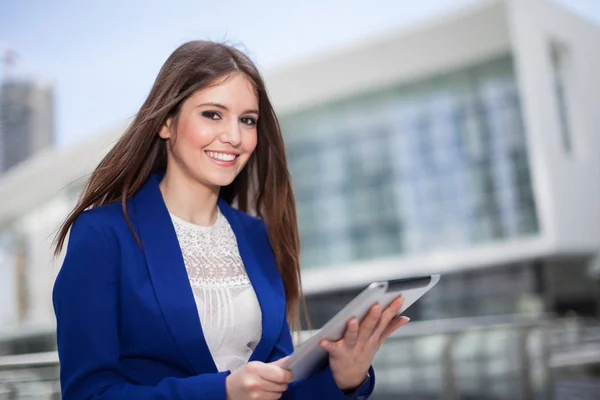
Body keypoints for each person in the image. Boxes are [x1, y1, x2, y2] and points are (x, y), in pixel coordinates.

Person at [52, 40, 409, 400]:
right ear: (166, 122)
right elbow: (88, 394)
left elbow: (281, 386)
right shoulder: (103, 235)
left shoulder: (257, 236)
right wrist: (220, 391)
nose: (234, 137)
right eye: (212, 114)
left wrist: (344, 378)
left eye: (247, 120)